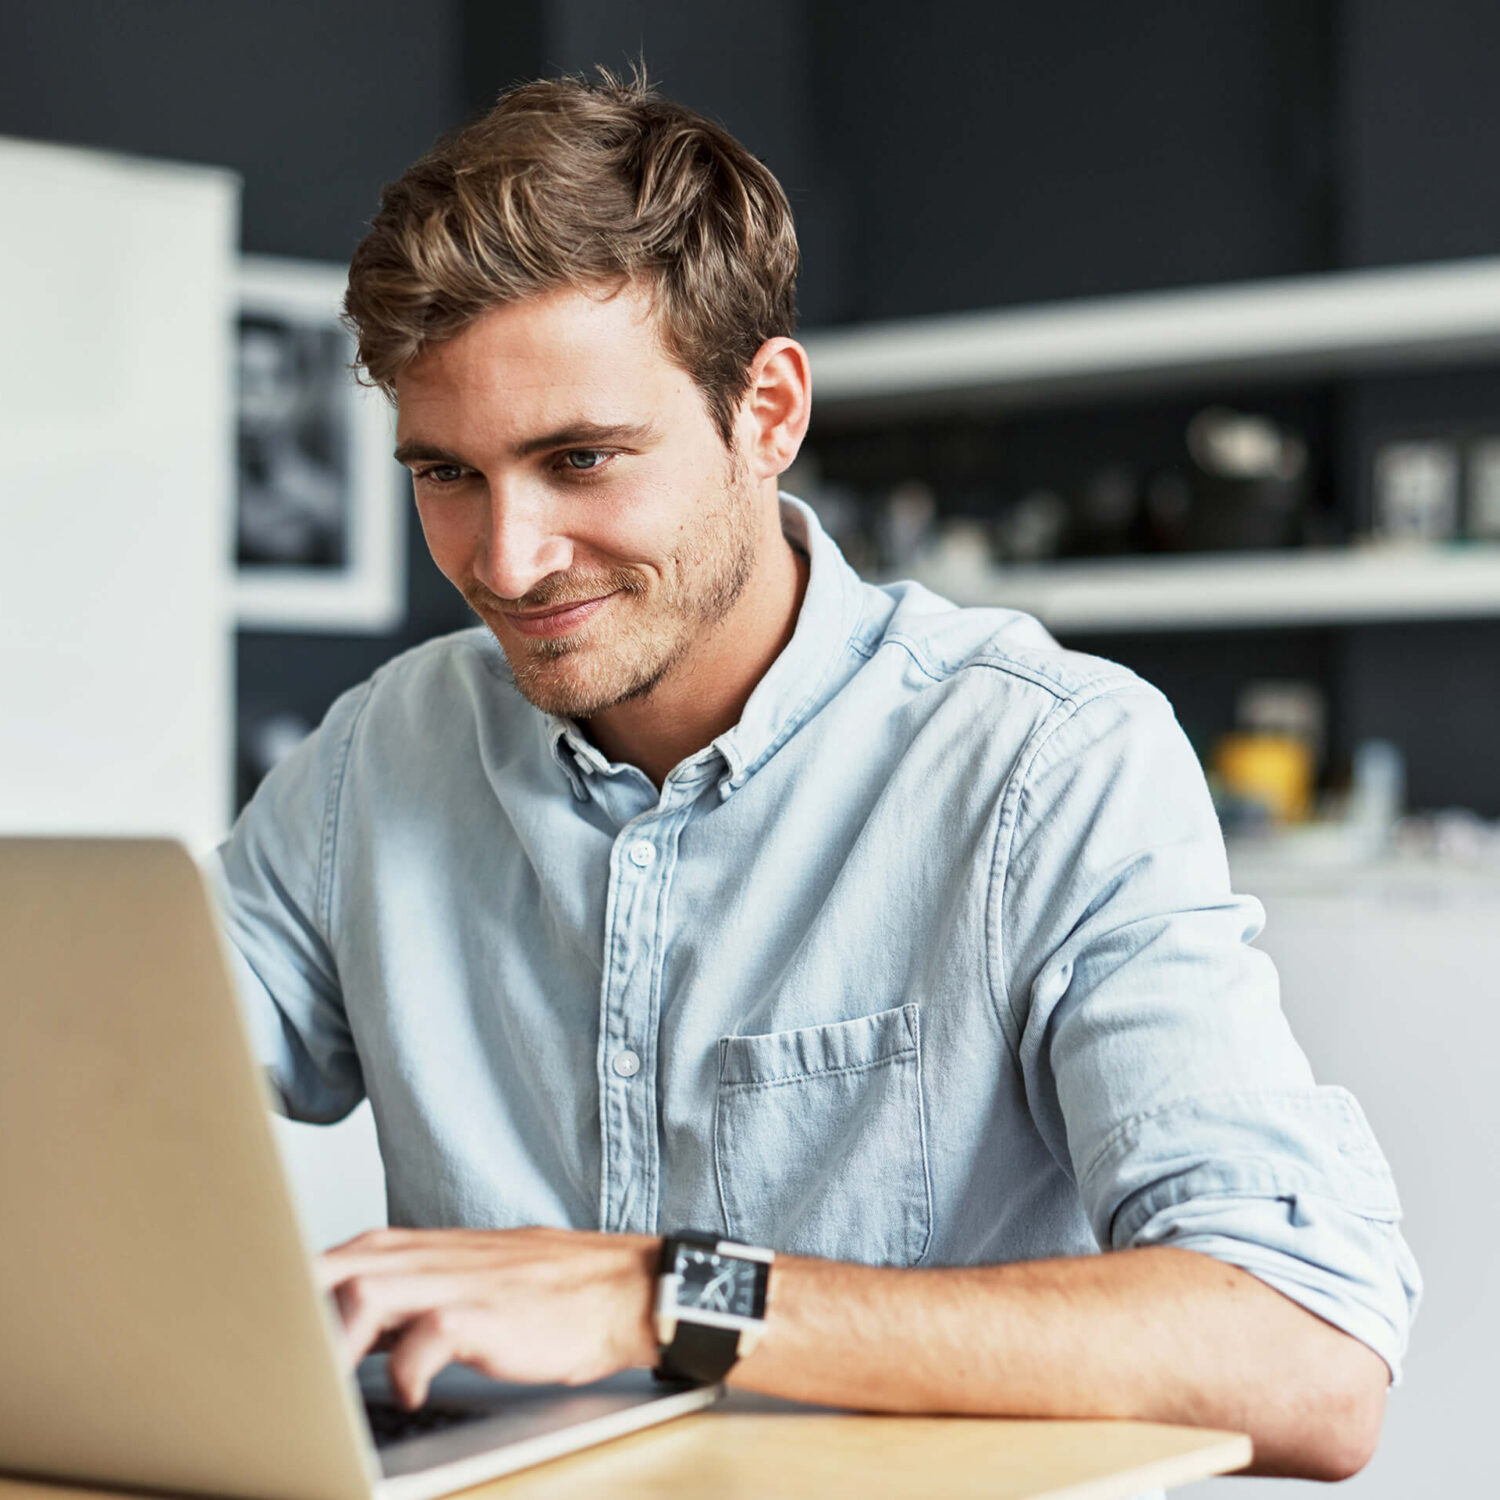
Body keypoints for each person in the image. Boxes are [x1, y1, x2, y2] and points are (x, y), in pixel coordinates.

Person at [212, 70, 1419, 1481]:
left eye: (581, 458)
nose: (506, 559)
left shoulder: (1045, 760)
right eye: (446, 475)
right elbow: (105, 1091)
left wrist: (660, 1297)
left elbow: (1309, 1354)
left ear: (767, 410)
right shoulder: (379, 754)